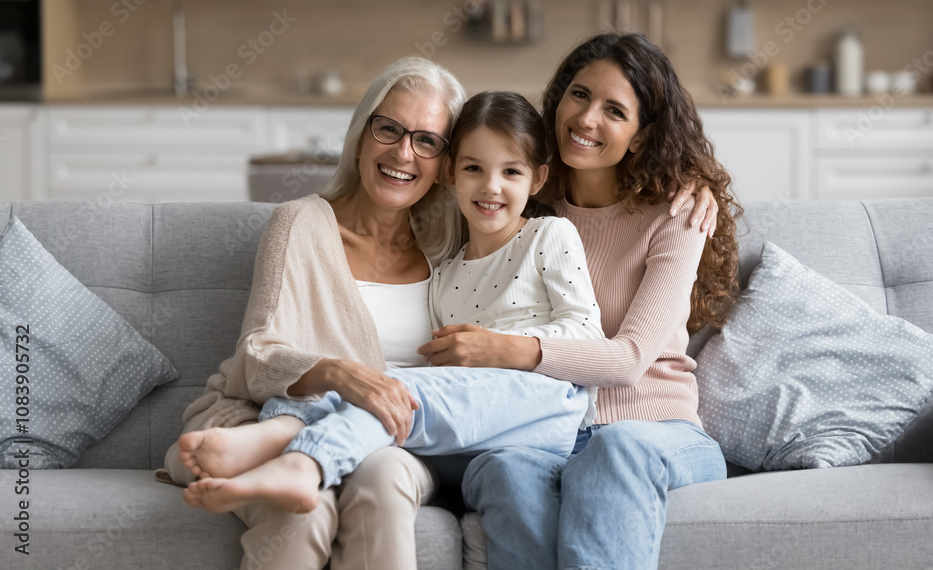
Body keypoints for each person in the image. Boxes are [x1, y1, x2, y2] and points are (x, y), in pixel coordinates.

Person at [178, 90, 605, 518]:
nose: (491, 186)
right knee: (378, 387)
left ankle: (297, 457)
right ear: (450, 174)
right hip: (462, 436)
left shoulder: (549, 236)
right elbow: (444, 380)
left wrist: (499, 346)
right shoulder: (445, 272)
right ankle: (285, 428)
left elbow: (589, 337)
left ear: (537, 179)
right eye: (474, 168)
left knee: (391, 386)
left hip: (545, 409)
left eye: (511, 171)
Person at [417, 32, 743, 570]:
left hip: (656, 430)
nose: (587, 118)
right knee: (502, 468)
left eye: (615, 110)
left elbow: (629, 358)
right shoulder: (523, 202)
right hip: (549, 434)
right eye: (579, 94)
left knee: (615, 450)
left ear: (640, 136)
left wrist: (504, 349)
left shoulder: (675, 216)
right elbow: (462, 161)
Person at [161, 56, 469, 570]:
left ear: (445, 163)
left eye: (427, 140)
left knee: (382, 480)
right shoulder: (300, 223)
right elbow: (258, 355)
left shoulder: (452, 249)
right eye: (388, 128)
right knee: (300, 514)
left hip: (398, 441)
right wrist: (337, 373)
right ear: (361, 135)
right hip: (280, 421)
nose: (403, 152)